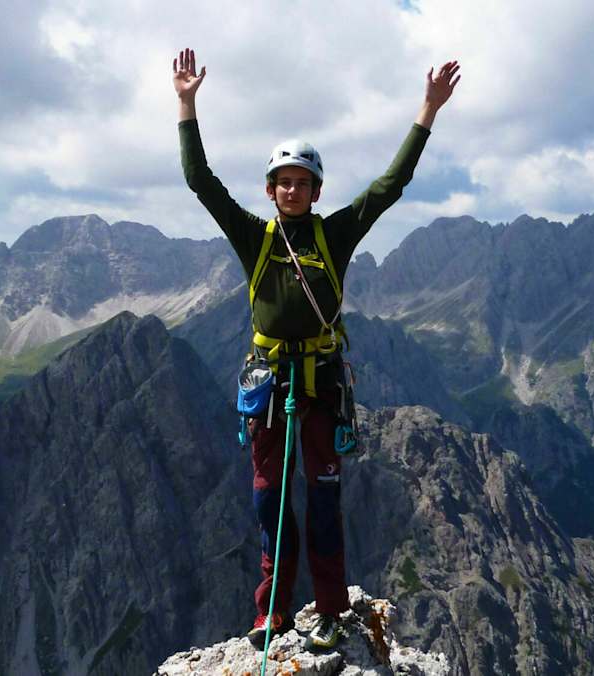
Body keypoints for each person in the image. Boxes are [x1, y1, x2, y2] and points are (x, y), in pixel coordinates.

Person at [174, 47, 459, 650]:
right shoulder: (254, 238)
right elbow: (200, 182)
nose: (293, 190)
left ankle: (330, 609)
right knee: (271, 504)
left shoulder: (335, 235)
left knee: (324, 501)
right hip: (271, 385)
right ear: (271, 190)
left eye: (302, 183)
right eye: (284, 182)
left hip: (322, 383)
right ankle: (272, 614)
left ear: (316, 190)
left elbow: (390, 186)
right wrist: (186, 105)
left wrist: (428, 111)